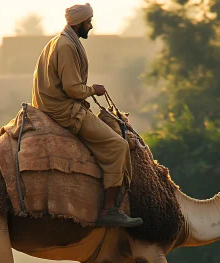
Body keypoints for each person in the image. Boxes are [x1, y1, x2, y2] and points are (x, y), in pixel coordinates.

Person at [31, 3, 143, 228]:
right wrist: (93, 90)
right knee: (118, 146)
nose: (90, 26)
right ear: (79, 23)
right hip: (64, 111)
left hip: (53, 105)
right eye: (88, 22)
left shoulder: (58, 42)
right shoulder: (66, 46)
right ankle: (109, 209)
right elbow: (73, 88)